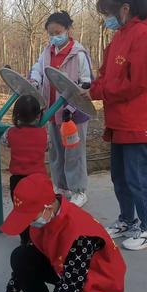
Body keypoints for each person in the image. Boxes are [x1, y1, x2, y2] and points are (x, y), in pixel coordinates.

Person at [0, 173, 126, 292]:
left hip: (96, 284)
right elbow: (31, 254)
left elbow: (71, 285)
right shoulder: (42, 221)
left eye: (31, 217)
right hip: (66, 270)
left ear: (48, 208)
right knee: (21, 256)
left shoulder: (80, 235)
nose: (29, 223)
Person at [90, 0, 147, 251]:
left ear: (125, 8)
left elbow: (136, 83)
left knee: (138, 177)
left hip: (137, 120)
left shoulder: (144, 36)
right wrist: (91, 88)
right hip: (118, 119)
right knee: (119, 176)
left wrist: (102, 92)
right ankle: (128, 220)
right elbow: (107, 74)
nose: (106, 19)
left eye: (108, 12)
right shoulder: (120, 36)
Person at [30, 11, 93, 208]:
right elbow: (38, 69)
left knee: (74, 153)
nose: (55, 36)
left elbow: (85, 83)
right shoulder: (47, 51)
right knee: (56, 152)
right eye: (51, 33)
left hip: (73, 114)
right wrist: (34, 80)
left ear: (68, 30)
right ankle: (61, 187)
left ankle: (79, 190)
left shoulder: (78, 54)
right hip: (52, 112)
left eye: (58, 32)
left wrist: (71, 108)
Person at [0, 95, 48, 246]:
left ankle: (25, 241)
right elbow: (48, 147)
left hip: (18, 181)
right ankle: (40, 240)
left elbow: (3, 142)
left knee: (21, 212)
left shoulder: (10, 133)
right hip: (38, 181)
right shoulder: (45, 134)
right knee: (40, 211)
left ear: (16, 115)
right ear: (39, 115)